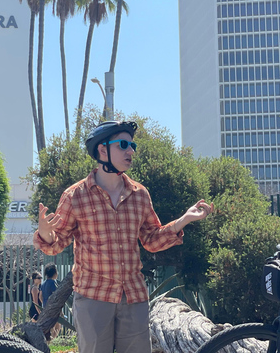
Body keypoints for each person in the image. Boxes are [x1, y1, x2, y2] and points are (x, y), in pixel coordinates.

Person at [34, 121, 214, 353]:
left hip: (133, 297)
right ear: (102, 150)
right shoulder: (75, 196)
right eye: (123, 145)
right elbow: (55, 245)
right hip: (93, 298)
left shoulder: (140, 194)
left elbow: (151, 239)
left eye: (132, 145)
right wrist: (46, 233)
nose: (131, 151)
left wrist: (184, 220)